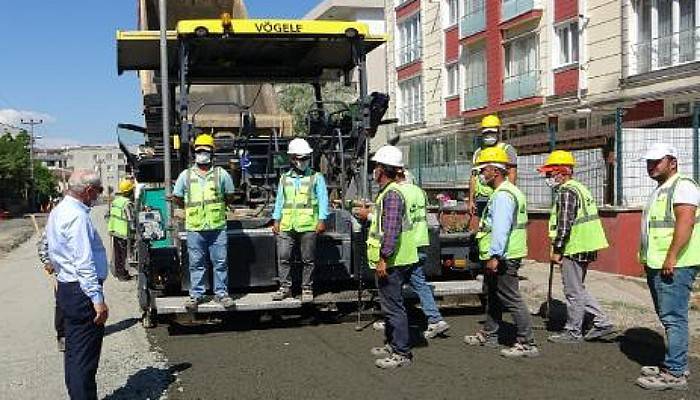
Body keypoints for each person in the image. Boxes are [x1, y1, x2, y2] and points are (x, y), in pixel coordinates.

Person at [635, 143, 699, 391]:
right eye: (649, 162)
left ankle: (674, 372)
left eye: (656, 161)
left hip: (676, 264)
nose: (651, 166)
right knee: (668, 316)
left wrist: (671, 256)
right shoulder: (663, 188)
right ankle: (675, 363)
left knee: (674, 318)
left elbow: (686, 222)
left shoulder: (683, 186)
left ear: (672, 162)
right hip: (660, 263)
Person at [463, 147, 538, 358]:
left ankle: (527, 342)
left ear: (495, 171)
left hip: (504, 255)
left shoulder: (504, 195)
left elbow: (501, 228)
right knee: (494, 295)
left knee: (511, 297)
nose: (480, 175)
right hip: (504, 253)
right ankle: (490, 333)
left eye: (483, 170)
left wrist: (495, 256)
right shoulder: (506, 192)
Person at [537, 150, 614, 344]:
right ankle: (600, 321)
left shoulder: (566, 191)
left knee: (573, 291)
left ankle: (575, 331)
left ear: (561, 172)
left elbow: (565, 224)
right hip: (586, 244)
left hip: (575, 245)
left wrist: (557, 249)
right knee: (577, 288)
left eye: (549, 173)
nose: (547, 178)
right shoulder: (580, 188)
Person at [364, 169, 450, 339]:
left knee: (393, 287)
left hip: (406, 245)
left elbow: (393, 220)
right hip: (421, 241)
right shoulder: (420, 192)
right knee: (419, 283)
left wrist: (369, 216)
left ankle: (394, 324)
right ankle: (434, 319)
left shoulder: (398, 193)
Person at [46, 169, 109, 399]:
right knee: (85, 359)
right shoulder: (77, 216)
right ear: (88, 190)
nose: (98, 196)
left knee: (74, 354)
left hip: (67, 287)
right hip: (81, 291)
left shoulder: (59, 211)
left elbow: (52, 251)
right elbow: (84, 261)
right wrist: (97, 299)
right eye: (98, 191)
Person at [366, 145, 418, 369]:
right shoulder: (388, 192)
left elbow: (392, 229)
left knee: (394, 307)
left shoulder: (392, 195)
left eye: (377, 166)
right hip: (395, 258)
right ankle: (392, 343)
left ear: (384, 169)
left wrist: (383, 258)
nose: (374, 170)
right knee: (389, 306)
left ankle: (401, 353)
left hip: (393, 260)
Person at [171, 134, 237, 310]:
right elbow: (177, 197)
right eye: (199, 151)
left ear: (212, 153)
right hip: (195, 228)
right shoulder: (185, 176)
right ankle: (196, 295)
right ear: (194, 153)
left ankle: (221, 294)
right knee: (196, 264)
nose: (202, 154)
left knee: (220, 263)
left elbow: (230, 195)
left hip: (217, 227)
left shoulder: (221, 174)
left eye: (206, 151)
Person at [271, 138, 329, 302]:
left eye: (306, 158)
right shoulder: (284, 178)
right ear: (293, 159)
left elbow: (323, 200)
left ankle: (307, 288)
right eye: (300, 158)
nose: (303, 162)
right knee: (283, 256)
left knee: (308, 259)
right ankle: (285, 287)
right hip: (287, 224)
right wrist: (276, 220)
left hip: (308, 224)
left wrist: (322, 220)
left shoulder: (316, 177)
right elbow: (280, 201)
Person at [468, 114, 517, 230]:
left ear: (498, 132)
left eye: (492, 132)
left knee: (499, 225)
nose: (489, 136)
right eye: (486, 133)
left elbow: (512, 173)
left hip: (500, 196)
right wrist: (471, 199)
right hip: (482, 198)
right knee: (484, 226)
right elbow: (473, 177)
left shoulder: (507, 150)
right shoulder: (478, 152)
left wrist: (509, 194)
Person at [37, 229, 65, 352]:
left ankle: (82, 332)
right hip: (61, 272)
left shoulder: (81, 218)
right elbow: (43, 245)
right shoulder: (54, 223)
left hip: (80, 271)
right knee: (61, 303)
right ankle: (62, 335)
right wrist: (47, 261)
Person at [107, 179, 135, 281]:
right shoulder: (127, 203)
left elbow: (109, 215)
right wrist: (135, 231)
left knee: (117, 254)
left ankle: (119, 273)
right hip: (123, 232)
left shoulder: (116, 201)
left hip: (114, 230)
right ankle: (123, 274)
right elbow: (131, 219)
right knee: (124, 255)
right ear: (130, 191)